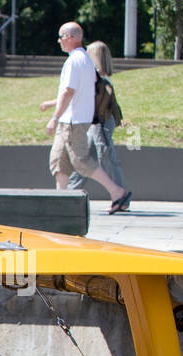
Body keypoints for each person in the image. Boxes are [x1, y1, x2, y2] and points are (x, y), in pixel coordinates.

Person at [41, 22, 129, 213]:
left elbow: (69, 91)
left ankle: (117, 191)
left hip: (73, 122)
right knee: (59, 162)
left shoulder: (76, 61)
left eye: (61, 36)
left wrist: (54, 117)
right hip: (69, 120)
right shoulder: (83, 60)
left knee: (81, 162)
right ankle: (60, 202)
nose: (59, 41)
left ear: (71, 38)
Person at [65, 40, 125, 196]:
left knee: (105, 156)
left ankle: (120, 194)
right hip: (98, 121)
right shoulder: (101, 78)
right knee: (85, 157)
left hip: (100, 122)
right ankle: (70, 192)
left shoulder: (100, 80)